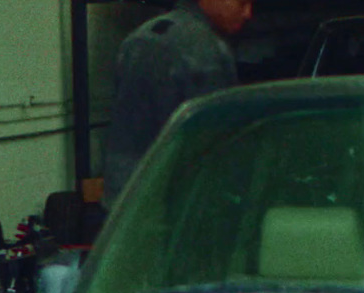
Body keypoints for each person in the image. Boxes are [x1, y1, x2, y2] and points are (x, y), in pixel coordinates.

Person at [103, 0, 254, 204]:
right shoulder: (205, 50)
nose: (248, 13)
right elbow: (215, 145)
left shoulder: (138, 38)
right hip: (173, 204)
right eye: (242, 3)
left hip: (123, 202)